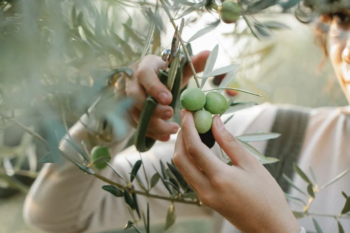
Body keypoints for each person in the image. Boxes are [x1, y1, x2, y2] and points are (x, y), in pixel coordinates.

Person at [23, 8, 350, 233]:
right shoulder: (267, 138)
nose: (347, 49)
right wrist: (112, 118)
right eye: (343, 18)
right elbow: (55, 217)